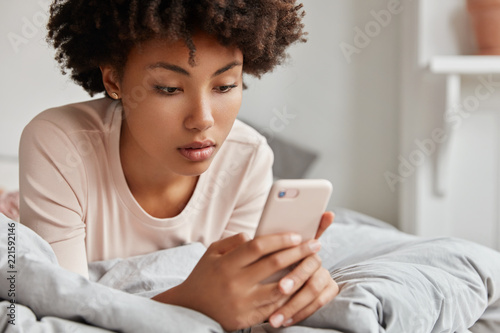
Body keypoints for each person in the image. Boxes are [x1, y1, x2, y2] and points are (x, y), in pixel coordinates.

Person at [19, 0, 338, 330]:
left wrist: (282, 287)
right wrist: (189, 303)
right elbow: (63, 315)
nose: (203, 120)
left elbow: (237, 300)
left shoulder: (248, 158)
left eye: (226, 85)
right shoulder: (60, 142)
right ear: (114, 81)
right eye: (169, 88)